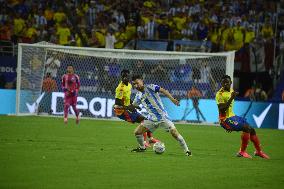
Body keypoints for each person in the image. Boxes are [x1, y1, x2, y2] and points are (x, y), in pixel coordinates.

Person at [130, 75, 192, 156]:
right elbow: (134, 105)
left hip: (162, 117)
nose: (136, 86)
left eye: (137, 83)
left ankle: (187, 150)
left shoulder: (150, 87)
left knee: (174, 133)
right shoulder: (138, 95)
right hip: (151, 119)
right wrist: (124, 105)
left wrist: (172, 99)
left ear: (141, 81)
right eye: (134, 84)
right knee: (137, 132)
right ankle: (142, 147)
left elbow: (163, 90)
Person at [215, 75, 269, 159]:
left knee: (251, 129)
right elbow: (222, 109)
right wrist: (231, 98)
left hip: (233, 116)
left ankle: (259, 151)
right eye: (223, 83)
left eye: (227, 82)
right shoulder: (220, 94)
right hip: (225, 119)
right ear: (221, 83)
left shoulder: (231, 91)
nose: (225, 84)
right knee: (246, 128)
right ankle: (242, 152)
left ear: (231, 83)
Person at [114, 70, 159, 147]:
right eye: (123, 76)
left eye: (126, 76)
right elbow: (118, 102)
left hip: (127, 108)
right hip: (121, 111)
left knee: (146, 120)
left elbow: (127, 98)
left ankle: (150, 139)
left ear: (129, 76)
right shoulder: (120, 88)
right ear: (121, 77)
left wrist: (133, 105)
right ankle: (145, 142)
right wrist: (129, 108)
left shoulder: (129, 85)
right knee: (144, 120)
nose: (125, 78)